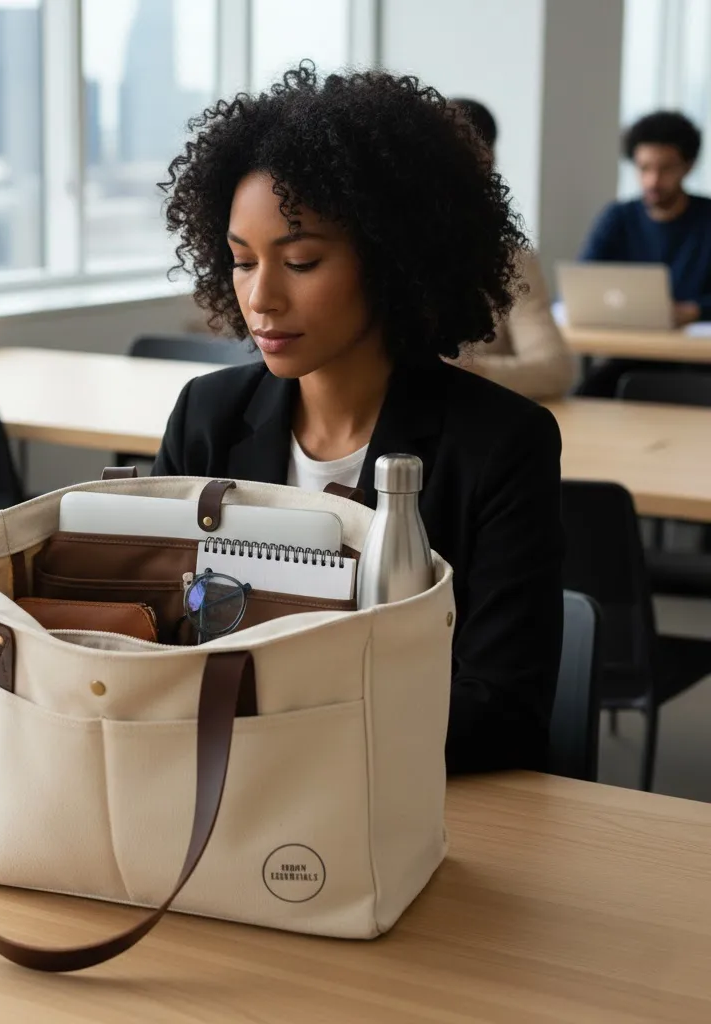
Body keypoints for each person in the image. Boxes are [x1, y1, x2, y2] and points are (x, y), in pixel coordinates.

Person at [152, 65, 563, 774]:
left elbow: (500, 711)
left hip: (401, 802)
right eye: (242, 262)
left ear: (394, 260)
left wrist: (272, 725)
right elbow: (162, 638)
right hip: (221, 786)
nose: (262, 298)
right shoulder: (208, 413)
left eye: (302, 261)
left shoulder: (501, 445)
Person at [447, 98, 575, 400]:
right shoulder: (371, 253)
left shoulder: (510, 260)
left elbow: (554, 369)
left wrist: (468, 372)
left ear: (486, 163)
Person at [578, 110, 711, 396]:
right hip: (632, 354)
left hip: (699, 362)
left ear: (688, 167)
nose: (652, 180)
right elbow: (584, 281)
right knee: (581, 398)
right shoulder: (618, 217)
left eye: (665, 169)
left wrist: (694, 311)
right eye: (644, 168)